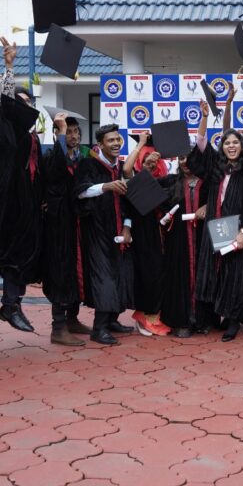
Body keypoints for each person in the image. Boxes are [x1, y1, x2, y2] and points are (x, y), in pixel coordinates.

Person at [187, 99, 243, 342]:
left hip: (236, 227)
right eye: (227, 143)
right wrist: (204, 118)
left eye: (235, 143)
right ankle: (213, 317)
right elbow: (200, 147)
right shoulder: (216, 169)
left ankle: (233, 322)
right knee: (215, 272)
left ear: (241, 146)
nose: (231, 147)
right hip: (215, 225)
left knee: (235, 275)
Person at [0, 37, 42, 333]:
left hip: (30, 201)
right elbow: (7, 105)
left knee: (27, 253)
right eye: (24, 104)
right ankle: (10, 305)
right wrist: (10, 68)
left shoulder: (28, 136)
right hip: (12, 199)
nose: (27, 108)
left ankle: (13, 303)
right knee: (13, 252)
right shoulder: (6, 132)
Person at [74, 124, 135, 345]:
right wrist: (106, 186)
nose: (116, 143)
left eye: (118, 139)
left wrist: (127, 226)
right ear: (100, 144)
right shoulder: (88, 164)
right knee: (104, 278)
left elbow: (127, 202)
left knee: (120, 276)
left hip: (117, 231)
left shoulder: (119, 167)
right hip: (96, 231)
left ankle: (111, 320)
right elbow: (80, 192)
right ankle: (98, 328)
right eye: (111, 140)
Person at [41, 114, 93, 346]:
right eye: (67, 132)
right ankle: (58, 328)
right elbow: (55, 174)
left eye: (75, 132)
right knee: (61, 271)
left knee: (76, 269)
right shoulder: (52, 156)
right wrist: (59, 131)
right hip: (58, 224)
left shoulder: (82, 158)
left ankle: (72, 318)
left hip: (77, 222)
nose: (72, 136)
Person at [121, 132, 171, 337]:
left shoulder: (165, 180)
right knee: (148, 274)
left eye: (156, 159)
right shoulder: (136, 180)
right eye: (147, 159)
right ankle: (145, 316)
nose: (153, 163)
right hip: (143, 232)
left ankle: (151, 313)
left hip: (160, 231)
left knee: (159, 274)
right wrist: (141, 143)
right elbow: (126, 169)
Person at [160, 152, 208, 338]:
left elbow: (224, 198)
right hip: (178, 240)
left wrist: (208, 205)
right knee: (179, 277)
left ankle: (203, 320)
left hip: (204, 239)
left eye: (190, 157)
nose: (186, 162)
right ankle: (181, 321)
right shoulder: (170, 182)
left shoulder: (208, 181)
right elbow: (143, 192)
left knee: (203, 275)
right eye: (181, 158)